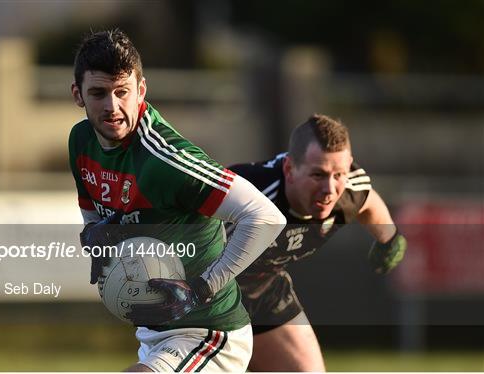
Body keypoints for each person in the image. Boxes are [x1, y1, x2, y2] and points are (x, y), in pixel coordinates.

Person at [67, 29, 286, 372]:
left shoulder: (164, 160)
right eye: (99, 93)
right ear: (77, 95)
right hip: (154, 332)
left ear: (141, 90)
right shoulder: (81, 140)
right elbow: (90, 205)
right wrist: (94, 234)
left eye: (122, 92)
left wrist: (201, 289)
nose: (112, 106)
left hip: (209, 331)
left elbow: (265, 216)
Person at [228, 114, 407, 372]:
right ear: (289, 170)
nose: (330, 189)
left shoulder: (349, 189)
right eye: (318, 175)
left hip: (265, 293)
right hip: (210, 299)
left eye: (339, 174)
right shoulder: (247, 194)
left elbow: (368, 202)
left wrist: (388, 239)